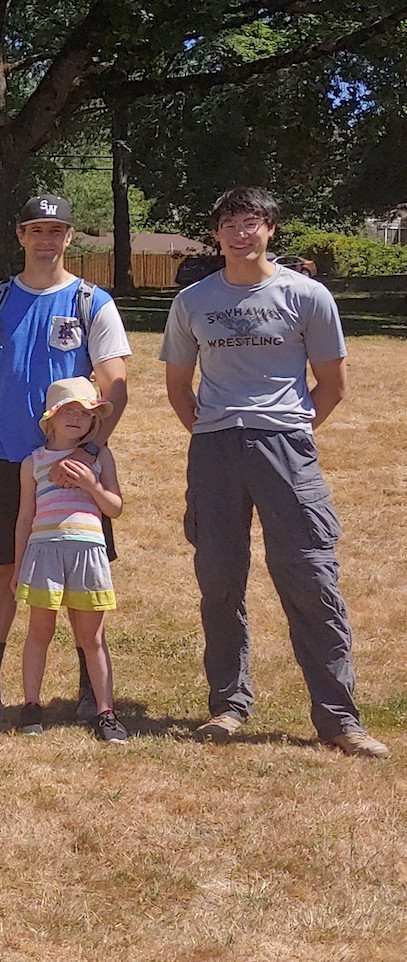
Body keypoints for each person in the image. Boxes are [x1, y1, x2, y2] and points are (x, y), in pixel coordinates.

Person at [159, 186, 387, 758]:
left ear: (271, 231)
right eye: (230, 223)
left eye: (252, 223)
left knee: (311, 576)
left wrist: (292, 430)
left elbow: (332, 385)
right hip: (214, 452)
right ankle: (228, 707)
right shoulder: (192, 301)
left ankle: (339, 719)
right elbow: (177, 386)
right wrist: (213, 432)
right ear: (217, 234)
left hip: (286, 447)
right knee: (218, 581)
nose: (241, 233)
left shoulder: (307, 296)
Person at [0, 195, 131, 720]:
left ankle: (88, 690)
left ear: (69, 237)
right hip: (4, 456)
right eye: (36, 230)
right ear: (21, 236)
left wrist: (91, 451)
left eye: (56, 230)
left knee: (80, 566)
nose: (46, 240)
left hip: (68, 463)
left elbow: (117, 384)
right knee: (2, 568)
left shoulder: (92, 302)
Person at [13, 378, 125, 742]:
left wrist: (92, 484)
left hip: (88, 551)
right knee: (39, 631)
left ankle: (106, 711)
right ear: (52, 417)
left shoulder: (101, 457)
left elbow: (115, 507)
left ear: (94, 422)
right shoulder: (33, 462)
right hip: (43, 552)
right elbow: (24, 517)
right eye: (70, 411)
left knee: (91, 637)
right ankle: (31, 705)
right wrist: (18, 567)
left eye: (86, 414)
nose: (78, 419)